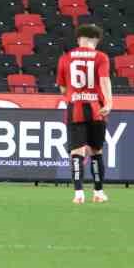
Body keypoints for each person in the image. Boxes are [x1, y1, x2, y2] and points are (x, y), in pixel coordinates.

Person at [56, 23, 112, 205]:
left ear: (79, 39)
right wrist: (109, 102)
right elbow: (104, 80)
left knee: (76, 151)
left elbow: (63, 88)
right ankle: (98, 192)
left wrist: (74, 95)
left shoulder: (65, 58)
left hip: (75, 108)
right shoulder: (101, 57)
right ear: (95, 40)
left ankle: (78, 193)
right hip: (96, 108)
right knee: (96, 151)